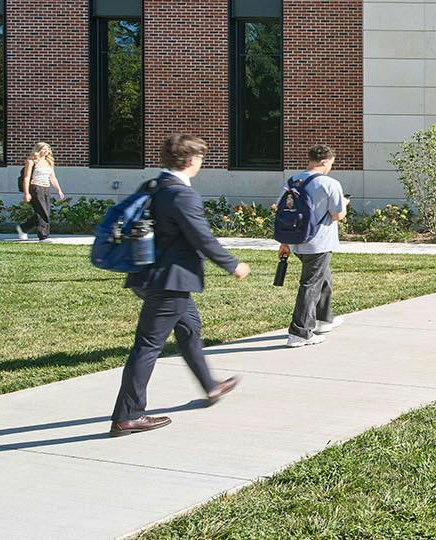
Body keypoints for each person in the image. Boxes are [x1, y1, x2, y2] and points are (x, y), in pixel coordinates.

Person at [110, 134, 251, 437]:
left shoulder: (154, 186)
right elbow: (202, 237)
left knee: (189, 329)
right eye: (200, 158)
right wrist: (232, 264)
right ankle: (128, 415)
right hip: (169, 281)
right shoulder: (182, 195)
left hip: (148, 275)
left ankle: (210, 386)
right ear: (191, 161)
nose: (200, 163)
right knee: (147, 346)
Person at [276, 145, 349, 348]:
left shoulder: (293, 181)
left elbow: (284, 211)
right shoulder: (330, 183)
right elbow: (338, 215)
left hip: (296, 239)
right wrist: (345, 204)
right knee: (310, 284)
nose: (330, 168)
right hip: (319, 242)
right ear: (325, 161)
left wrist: (285, 242)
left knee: (323, 278)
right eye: (331, 164)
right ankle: (300, 332)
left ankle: (324, 320)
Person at [18, 142, 66, 242]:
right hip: (36, 188)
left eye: (47, 149)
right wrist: (26, 193)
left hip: (46, 188)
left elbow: (52, 177)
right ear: (38, 150)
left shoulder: (49, 162)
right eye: (43, 149)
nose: (45, 151)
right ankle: (43, 236)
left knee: (44, 213)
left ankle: (23, 228)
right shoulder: (31, 161)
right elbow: (26, 178)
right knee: (43, 212)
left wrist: (59, 190)